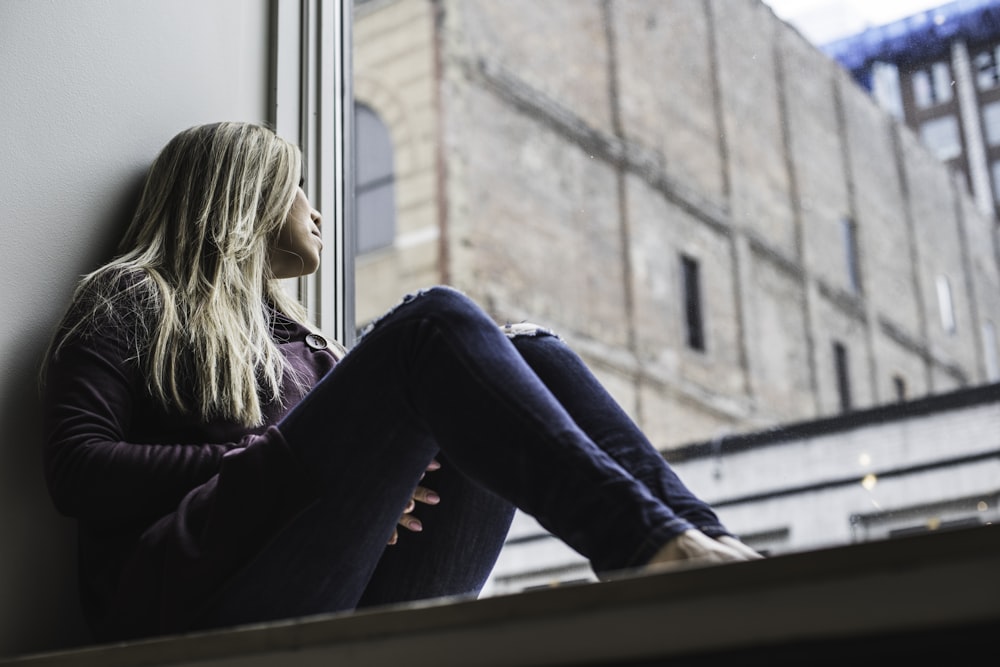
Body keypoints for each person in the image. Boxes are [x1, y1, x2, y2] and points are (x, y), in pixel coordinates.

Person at [40, 121, 760, 642]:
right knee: (432, 320)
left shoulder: (309, 347)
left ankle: (704, 546)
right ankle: (645, 549)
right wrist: (272, 461)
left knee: (532, 348)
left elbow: (336, 474)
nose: (316, 208)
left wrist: (374, 481)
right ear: (242, 195)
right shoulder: (134, 297)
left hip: (343, 587)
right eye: (296, 187)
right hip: (191, 598)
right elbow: (77, 470)